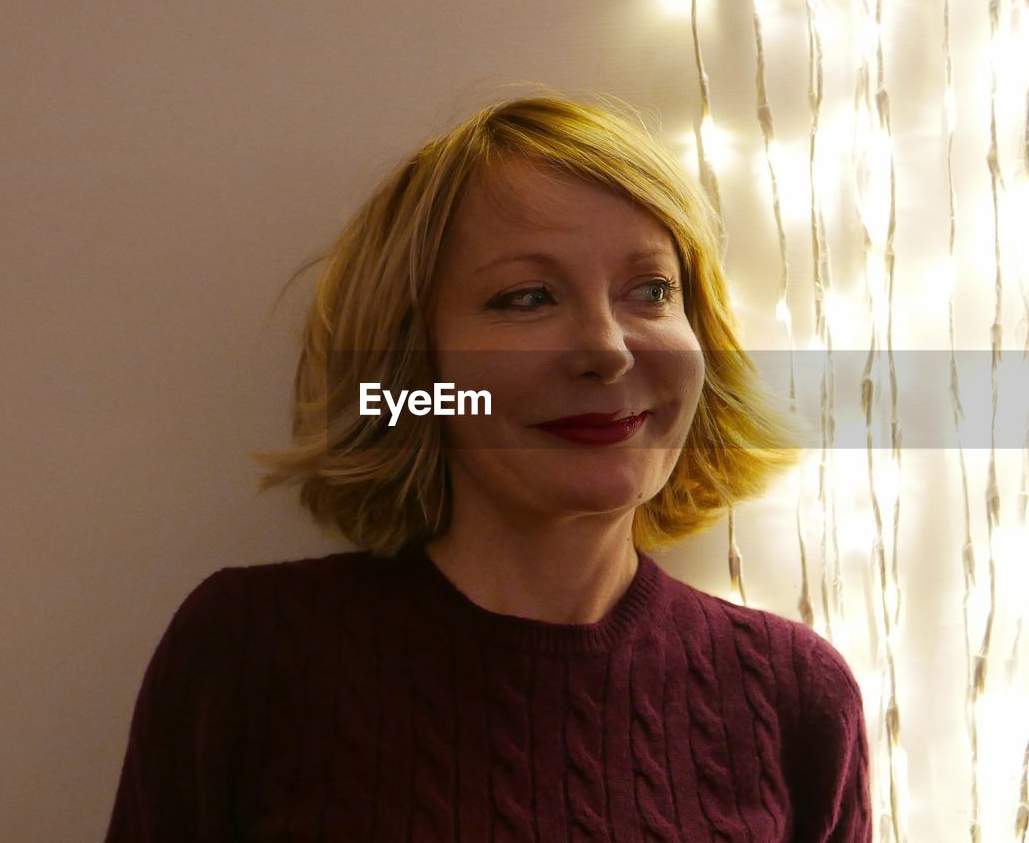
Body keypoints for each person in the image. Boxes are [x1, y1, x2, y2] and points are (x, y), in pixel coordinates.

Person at [104, 91, 871, 841]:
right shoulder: (251, 652)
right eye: (527, 298)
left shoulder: (795, 696)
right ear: (417, 367)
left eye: (651, 290)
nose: (607, 349)